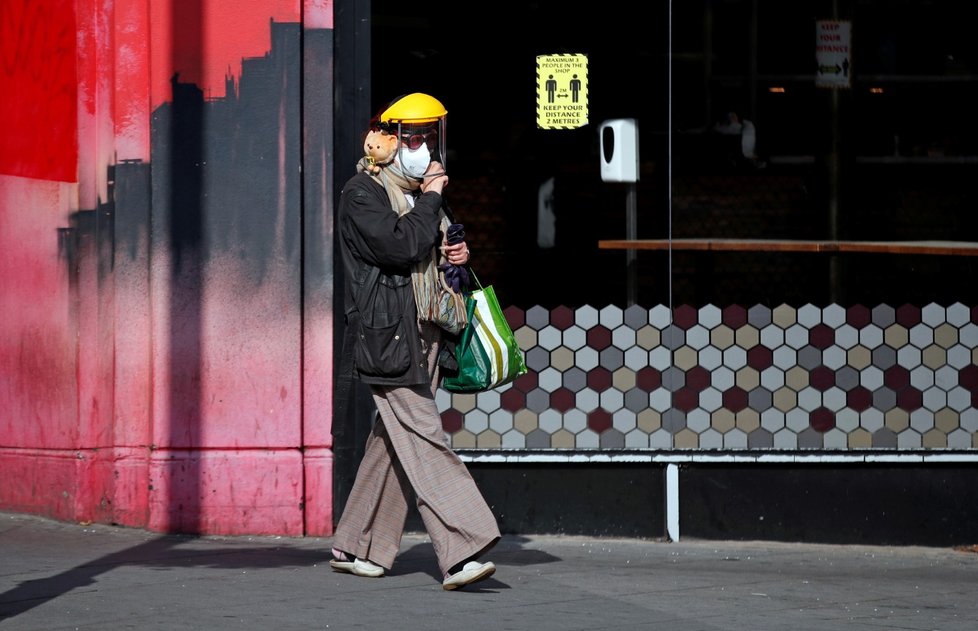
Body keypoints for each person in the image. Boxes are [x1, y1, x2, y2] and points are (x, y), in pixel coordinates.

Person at [329, 93, 501, 591]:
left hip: (424, 330)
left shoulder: (424, 195)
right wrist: (431, 199)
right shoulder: (361, 193)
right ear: (383, 140)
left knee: (394, 438)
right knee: (423, 435)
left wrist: (458, 253)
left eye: (428, 136)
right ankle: (462, 547)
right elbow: (400, 244)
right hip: (388, 337)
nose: (422, 147)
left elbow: (432, 248)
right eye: (411, 137)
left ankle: (357, 545)